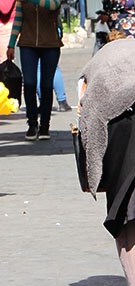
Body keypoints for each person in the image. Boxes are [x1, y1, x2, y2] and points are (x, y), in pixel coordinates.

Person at [77, 39, 135, 284]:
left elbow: (83, 104)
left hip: (120, 136)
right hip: (124, 132)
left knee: (126, 220)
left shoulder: (106, 55)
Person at [7, 0, 63, 140]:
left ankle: (45, 125)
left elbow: (52, 5)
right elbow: (18, 19)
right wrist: (11, 44)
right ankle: (32, 124)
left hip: (51, 44)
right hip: (28, 43)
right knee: (29, 84)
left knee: (46, 86)